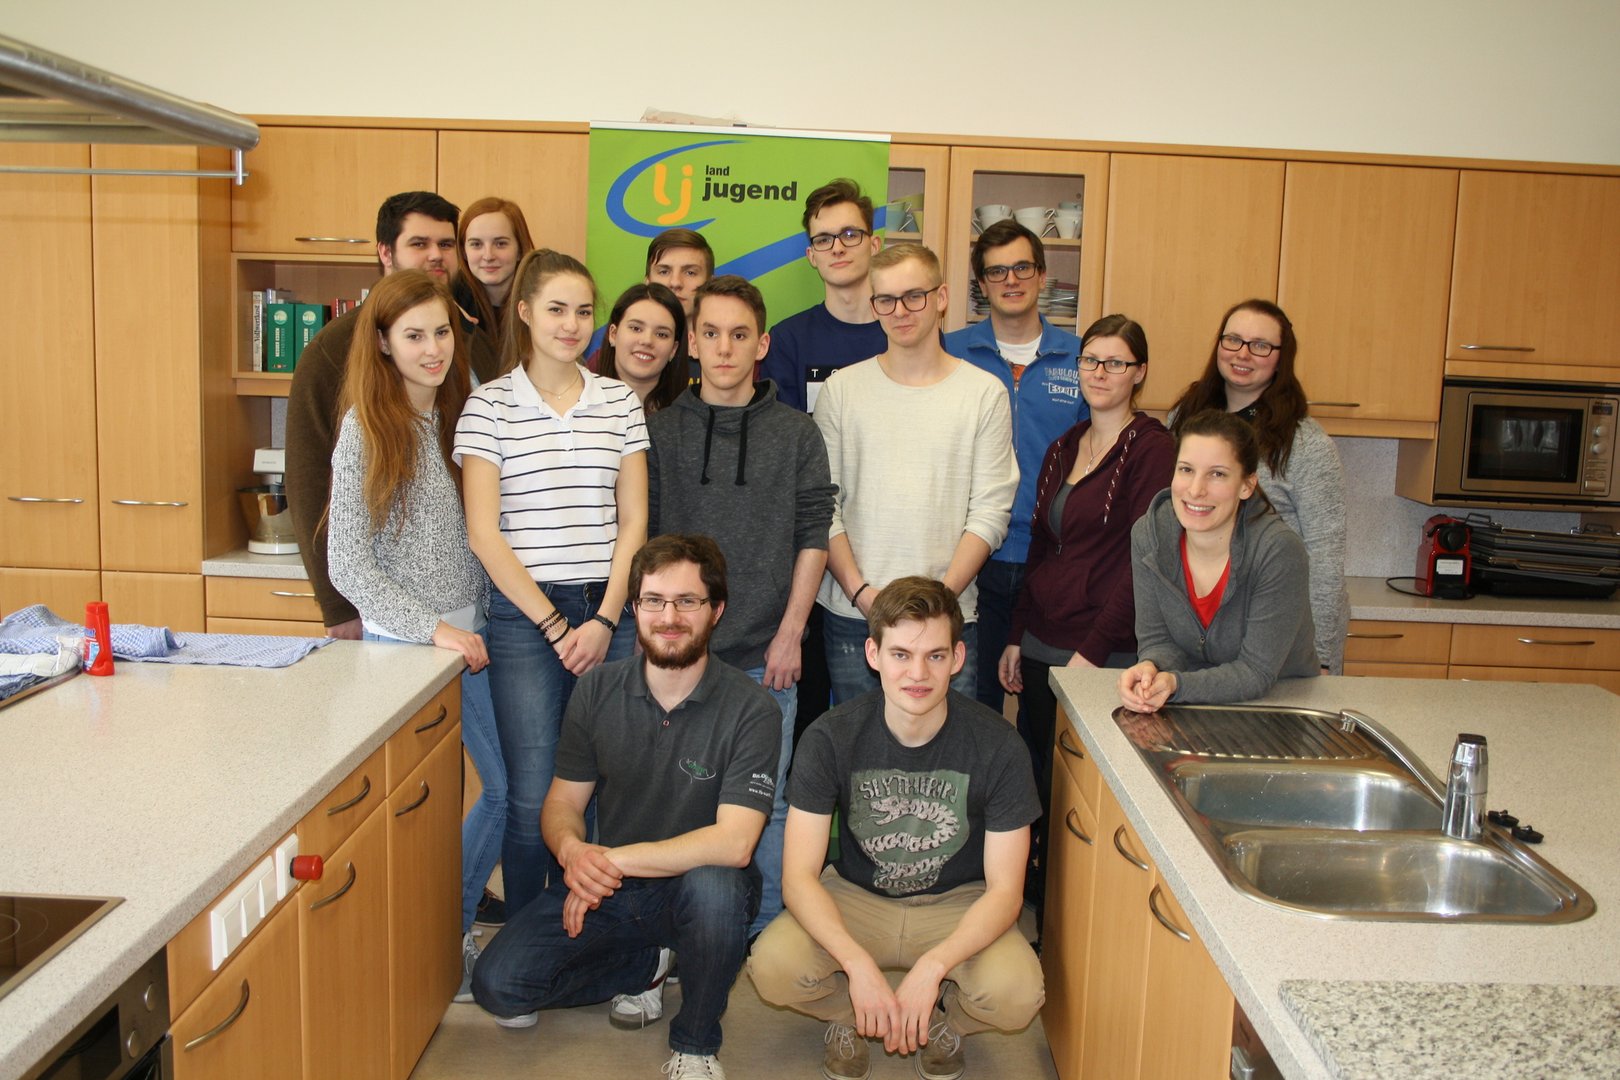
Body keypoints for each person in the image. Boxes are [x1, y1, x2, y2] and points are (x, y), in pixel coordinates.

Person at [471, 534, 780, 1080]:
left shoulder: (751, 708)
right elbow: (562, 801)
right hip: (613, 890)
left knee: (715, 889)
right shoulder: (596, 691)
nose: (669, 617)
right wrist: (573, 852)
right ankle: (644, 965)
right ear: (635, 608)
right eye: (655, 600)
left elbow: (734, 844)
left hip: (697, 889)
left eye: (687, 601)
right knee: (499, 987)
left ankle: (695, 1043)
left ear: (716, 611)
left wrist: (609, 860)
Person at [747, 577, 1045, 1080]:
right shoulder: (830, 737)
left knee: (1017, 994)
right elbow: (797, 877)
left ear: (957, 658)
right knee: (772, 966)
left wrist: (933, 968)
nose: (917, 673)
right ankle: (853, 1016)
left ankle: (944, 1023)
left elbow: (1005, 893)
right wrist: (857, 967)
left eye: (935, 656)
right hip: (857, 894)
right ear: (874, 654)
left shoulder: (999, 746)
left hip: (957, 900)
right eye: (901, 654)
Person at [321, 268, 505, 988]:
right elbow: (349, 565)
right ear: (384, 343)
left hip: (474, 639)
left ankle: (444, 930)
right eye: (414, 336)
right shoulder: (366, 428)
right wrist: (433, 630)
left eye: (442, 333)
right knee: (424, 810)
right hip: (406, 652)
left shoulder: (465, 415)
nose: (433, 349)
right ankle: (434, 943)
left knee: (504, 791)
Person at [454, 249, 646, 917]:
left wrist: (606, 619)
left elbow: (634, 520)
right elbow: (484, 533)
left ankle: (591, 931)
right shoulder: (488, 406)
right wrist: (556, 626)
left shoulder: (618, 400)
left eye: (584, 311)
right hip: (524, 619)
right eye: (557, 309)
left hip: (608, 611)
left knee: (603, 785)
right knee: (533, 793)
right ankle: (526, 940)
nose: (571, 324)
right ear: (526, 312)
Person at [646, 275, 836, 939]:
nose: (724, 348)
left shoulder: (797, 434)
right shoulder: (659, 432)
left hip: (765, 656)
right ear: (692, 344)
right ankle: (673, 935)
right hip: (677, 656)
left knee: (769, 804)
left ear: (762, 344)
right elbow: (644, 542)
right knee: (676, 799)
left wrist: (792, 633)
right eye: (711, 333)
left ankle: (766, 934)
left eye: (738, 334)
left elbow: (814, 534)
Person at [997, 313, 1174, 934]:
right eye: (1090, 360)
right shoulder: (1064, 446)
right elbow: (1041, 548)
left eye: (1115, 363)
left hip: (1105, 656)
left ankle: (1072, 933)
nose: (1099, 372)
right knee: (1042, 789)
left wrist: (1093, 653)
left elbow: (1141, 563)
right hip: (1043, 642)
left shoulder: (1153, 450)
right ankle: (1039, 920)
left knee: (1084, 802)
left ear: (1139, 373)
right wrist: (1016, 634)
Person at [287, 190, 501, 640]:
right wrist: (337, 607)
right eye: (419, 243)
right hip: (399, 628)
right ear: (385, 252)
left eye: (446, 244)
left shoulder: (470, 343)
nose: (436, 256)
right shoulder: (332, 353)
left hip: (473, 625)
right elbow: (309, 482)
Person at [814, 243, 1017, 706]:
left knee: (946, 749)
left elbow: (990, 513)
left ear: (941, 297)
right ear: (874, 307)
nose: (900, 311)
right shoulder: (841, 391)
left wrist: (936, 605)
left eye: (913, 296)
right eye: (886, 300)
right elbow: (824, 507)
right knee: (858, 746)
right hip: (854, 615)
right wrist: (863, 595)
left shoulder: (984, 394)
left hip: (948, 617)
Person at [944, 220, 1086, 712]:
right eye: (996, 271)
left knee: (1045, 711)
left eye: (1022, 267)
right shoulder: (949, 352)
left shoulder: (1082, 358)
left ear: (1042, 276)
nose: (1011, 280)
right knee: (971, 704)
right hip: (969, 557)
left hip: (1053, 559)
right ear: (981, 285)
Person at [1167, 299, 1348, 673]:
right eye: (1233, 340)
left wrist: (1321, 657)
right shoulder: (1183, 419)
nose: (1243, 354)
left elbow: (1325, 558)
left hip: (1279, 635)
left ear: (1281, 358)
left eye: (1261, 345)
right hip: (1199, 631)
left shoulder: (1306, 444)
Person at [1119, 409, 1321, 711]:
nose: (1196, 490)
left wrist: (1176, 684)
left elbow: (1256, 672)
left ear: (1247, 485)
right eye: (1186, 469)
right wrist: (1151, 668)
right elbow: (1159, 641)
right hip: (1194, 704)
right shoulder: (1149, 536)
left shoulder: (1278, 551)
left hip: (1280, 707)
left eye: (1217, 474)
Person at [760, 178, 887, 414]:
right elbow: (781, 431)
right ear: (811, 256)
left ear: (874, 245)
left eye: (850, 234)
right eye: (824, 239)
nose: (837, 248)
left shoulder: (905, 332)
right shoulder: (787, 341)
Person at [587, 228, 715, 360]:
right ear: (647, 282)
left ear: (710, 284)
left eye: (690, 273)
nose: (675, 282)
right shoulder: (609, 358)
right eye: (664, 272)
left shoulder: (723, 355)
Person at [595, 282, 689, 415]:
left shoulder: (688, 418)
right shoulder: (579, 405)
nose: (647, 341)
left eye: (661, 334)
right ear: (613, 334)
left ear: (673, 349)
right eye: (636, 328)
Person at [454, 196, 535, 339]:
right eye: (476, 244)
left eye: (500, 244)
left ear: (520, 249)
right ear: (463, 251)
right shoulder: (451, 299)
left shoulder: (542, 297)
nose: (488, 256)